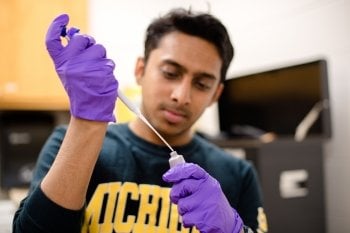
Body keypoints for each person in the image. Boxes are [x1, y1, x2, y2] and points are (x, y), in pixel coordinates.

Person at [13, 8, 268, 233]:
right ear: (140, 70)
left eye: (202, 84)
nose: (181, 96)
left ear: (216, 94)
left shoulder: (237, 173)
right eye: (170, 73)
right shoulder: (68, 142)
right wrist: (86, 123)